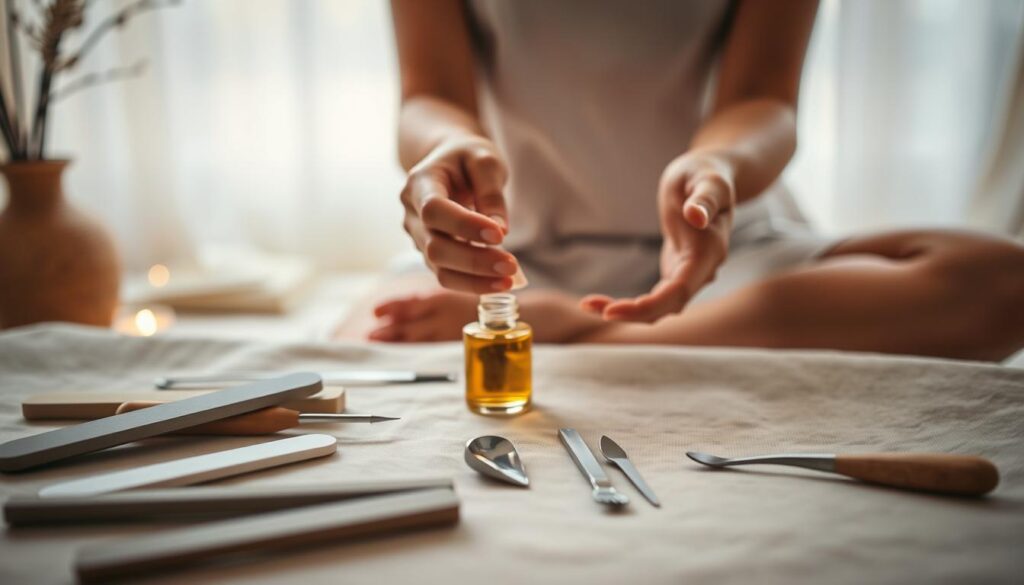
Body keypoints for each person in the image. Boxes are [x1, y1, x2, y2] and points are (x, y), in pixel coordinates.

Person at [336, 0, 1024, 362]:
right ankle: (565, 322)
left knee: (1006, 284)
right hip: (506, 264)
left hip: (720, 254)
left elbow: (765, 98)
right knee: (354, 342)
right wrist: (447, 148)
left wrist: (719, 166)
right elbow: (429, 92)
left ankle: (568, 327)